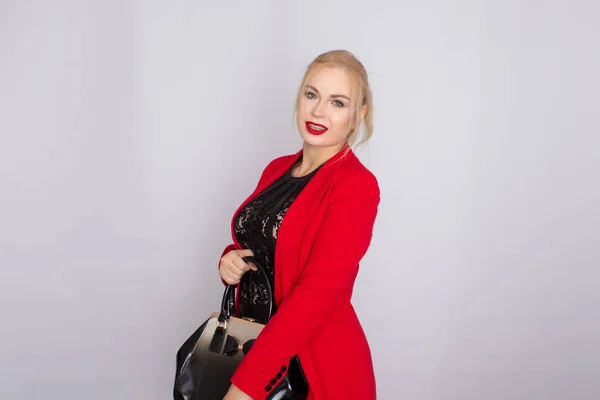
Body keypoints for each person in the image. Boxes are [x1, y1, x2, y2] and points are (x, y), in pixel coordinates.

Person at [219, 49, 380, 400]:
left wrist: (247, 385)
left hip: (311, 365)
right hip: (253, 348)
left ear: (357, 116)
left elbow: (318, 292)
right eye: (312, 95)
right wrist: (232, 258)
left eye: (338, 103)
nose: (319, 111)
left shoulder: (356, 185)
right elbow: (269, 245)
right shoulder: (277, 169)